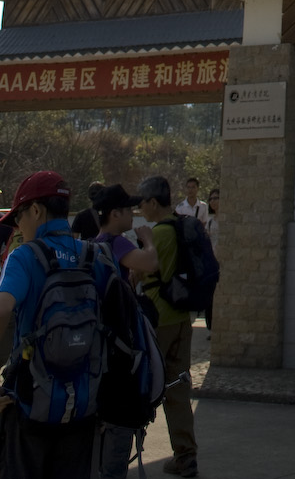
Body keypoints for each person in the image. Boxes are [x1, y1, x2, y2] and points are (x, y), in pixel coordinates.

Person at [0, 169, 115, 479]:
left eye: (19, 217)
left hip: (31, 405)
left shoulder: (24, 256)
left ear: (36, 210)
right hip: (85, 406)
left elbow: (3, 307)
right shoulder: (96, 255)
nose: (18, 227)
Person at [94, 185, 160, 479]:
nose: (133, 214)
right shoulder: (115, 242)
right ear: (114, 214)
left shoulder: (94, 244)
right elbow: (151, 263)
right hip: (120, 348)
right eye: (129, 210)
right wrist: (148, 241)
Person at [137, 175, 198, 477]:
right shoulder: (180, 225)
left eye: (142, 203)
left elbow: (138, 272)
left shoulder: (159, 233)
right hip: (182, 319)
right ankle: (186, 456)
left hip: (158, 320)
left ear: (152, 202)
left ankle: (125, 451)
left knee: (141, 387)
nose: (140, 209)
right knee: (178, 389)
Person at [204, 188, 220, 330]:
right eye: (211, 199)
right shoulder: (210, 222)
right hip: (212, 262)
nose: (213, 201)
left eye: (216, 198)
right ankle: (210, 327)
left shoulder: (225, 220)